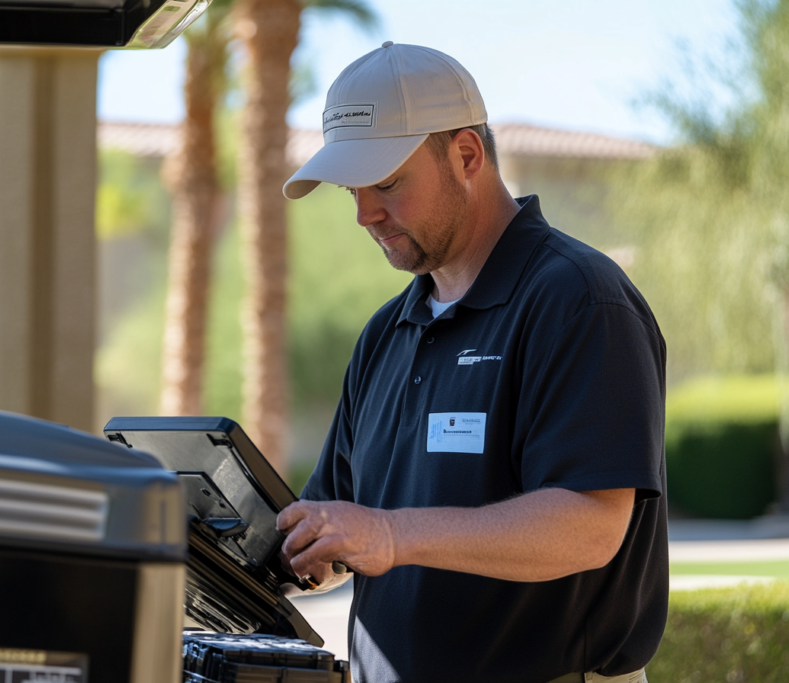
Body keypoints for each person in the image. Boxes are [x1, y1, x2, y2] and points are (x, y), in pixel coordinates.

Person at [276, 42, 667, 683]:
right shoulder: (386, 333)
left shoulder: (578, 299)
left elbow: (591, 526)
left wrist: (393, 535)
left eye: (388, 183)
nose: (363, 213)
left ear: (465, 156)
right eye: (353, 189)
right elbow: (340, 533)